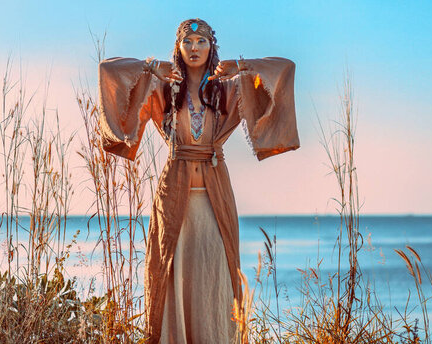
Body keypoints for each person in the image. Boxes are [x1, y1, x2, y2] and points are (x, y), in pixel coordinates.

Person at [98, 18, 299, 344]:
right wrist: (151, 68)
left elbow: (284, 69)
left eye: (201, 41)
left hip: (213, 199)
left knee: (214, 278)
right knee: (170, 275)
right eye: (187, 41)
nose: (194, 48)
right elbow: (109, 71)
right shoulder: (163, 88)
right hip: (173, 199)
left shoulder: (228, 88)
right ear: (178, 47)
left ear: (211, 47)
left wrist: (244, 65)